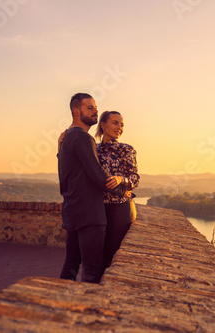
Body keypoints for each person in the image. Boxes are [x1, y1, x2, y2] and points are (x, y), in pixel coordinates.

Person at [58, 93, 127, 283]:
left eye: (96, 107)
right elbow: (98, 176)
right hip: (89, 215)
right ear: (76, 111)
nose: (95, 111)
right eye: (90, 108)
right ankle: (86, 310)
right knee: (92, 270)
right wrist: (124, 191)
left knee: (71, 264)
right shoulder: (82, 138)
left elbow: (63, 177)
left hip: (72, 211)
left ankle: (59, 304)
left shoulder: (65, 139)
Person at [95, 111, 140, 271]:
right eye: (115, 123)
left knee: (113, 253)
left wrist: (121, 179)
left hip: (120, 207)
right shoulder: (94, 148)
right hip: (98, 206)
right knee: (96, 253)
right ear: (103, 125)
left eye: (121, 125)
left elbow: (135, 179)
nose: (119, 127)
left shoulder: (126, 149)